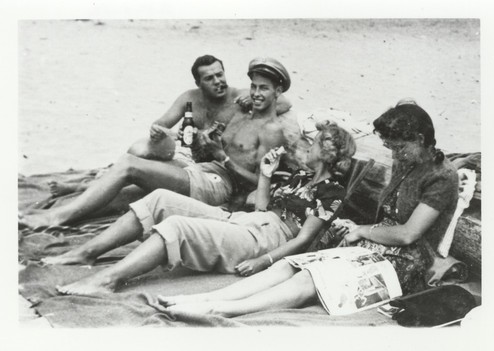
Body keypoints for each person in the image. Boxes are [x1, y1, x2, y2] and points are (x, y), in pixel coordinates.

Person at [157, 100, 459, 318]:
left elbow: (408, 234)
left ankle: (220, 309)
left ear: (420, 139)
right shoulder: (409, 158)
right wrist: (357, 231)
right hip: (376, 244)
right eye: (391, 148)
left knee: (309, 279)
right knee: (291, 264)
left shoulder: (441, 177)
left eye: (400, 147)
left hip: (406, 264)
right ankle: (203, 297)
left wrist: (362, 231)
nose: (396, 154)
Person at [48, 121, 356, 296]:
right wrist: (266, 172)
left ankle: (108, 280)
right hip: (248, 220)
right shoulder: (300, 176)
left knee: (178, 227)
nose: (308, 144)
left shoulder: (333, 193)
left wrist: (263, 261)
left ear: (326, 152)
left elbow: (302, 241)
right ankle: (86, 254)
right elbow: (262, 206)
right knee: (160, 200)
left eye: (314, 142)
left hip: (267, 240)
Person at [20, 56, 296, 228]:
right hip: (204, 170)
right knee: (130, 189)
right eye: (254, 87)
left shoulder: (271, 131)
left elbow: (261, 181)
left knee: (131, 166)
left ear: (277, 91)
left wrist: (222, 158)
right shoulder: (241, 109)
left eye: (264, 88)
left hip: (219, 185)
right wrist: (208, 144)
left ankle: (59, 217)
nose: (256, 93)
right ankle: (77, 202)